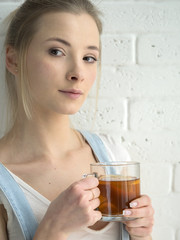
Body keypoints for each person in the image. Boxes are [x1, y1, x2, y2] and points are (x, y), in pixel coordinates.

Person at [0, 0, 154, 239]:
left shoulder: (114, 157)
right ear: (13, 60)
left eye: (89, 57)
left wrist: (142, 236)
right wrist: (53, 228)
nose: (78, 73)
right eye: (56, 51)